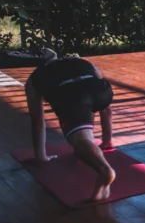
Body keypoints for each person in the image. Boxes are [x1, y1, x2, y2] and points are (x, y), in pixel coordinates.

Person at [25, 49, 116, 203]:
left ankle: (104, 169)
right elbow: (105, 109)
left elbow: (38, 120)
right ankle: (105, 144)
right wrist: (106, 141)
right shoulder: (83, 62)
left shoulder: (35, 77)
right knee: (94, 106)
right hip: (100, 92)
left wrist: (41, 156)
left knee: (80, 140)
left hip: (72, 95)